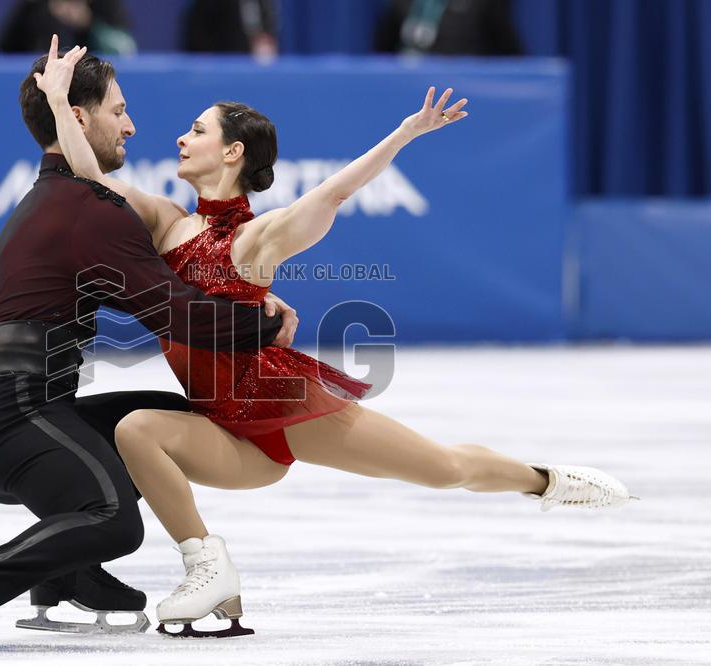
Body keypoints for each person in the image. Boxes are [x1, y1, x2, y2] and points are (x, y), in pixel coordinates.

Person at [34, 40, 635, 638]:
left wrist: (404, 135)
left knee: (442, 467)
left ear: (232, 152)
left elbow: (335, 192)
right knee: (136, 428)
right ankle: (206, 568)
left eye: (197, 131)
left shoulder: (255, 239)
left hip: (279, 404)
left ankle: (546, 480)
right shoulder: (167, 221)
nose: (180, 139)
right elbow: (91, 183)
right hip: (220, 424)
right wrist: (62, 103)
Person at [0, 41, 298, 636]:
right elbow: (175, 313)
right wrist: (265, 325)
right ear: (78, 117)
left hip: (24, 410)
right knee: (116, 520)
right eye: (117, 110)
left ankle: (70, 575)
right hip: (14, 418)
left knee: (167, 425)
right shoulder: (86, 210)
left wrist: (247, 298)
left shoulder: (66, 199)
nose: (130, 125)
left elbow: (175, 285)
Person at [373, 0, 521, 56]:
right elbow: (383, 48)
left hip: (463, 85)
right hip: (411, 81)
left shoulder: (485, 4)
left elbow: (507, 48)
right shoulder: (401, 4)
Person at [0, 0, 135, 56]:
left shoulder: (105, 5)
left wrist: (88, 24)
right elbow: (5, 50)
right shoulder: (33, 7)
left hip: (93, 82)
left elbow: (125, 50)